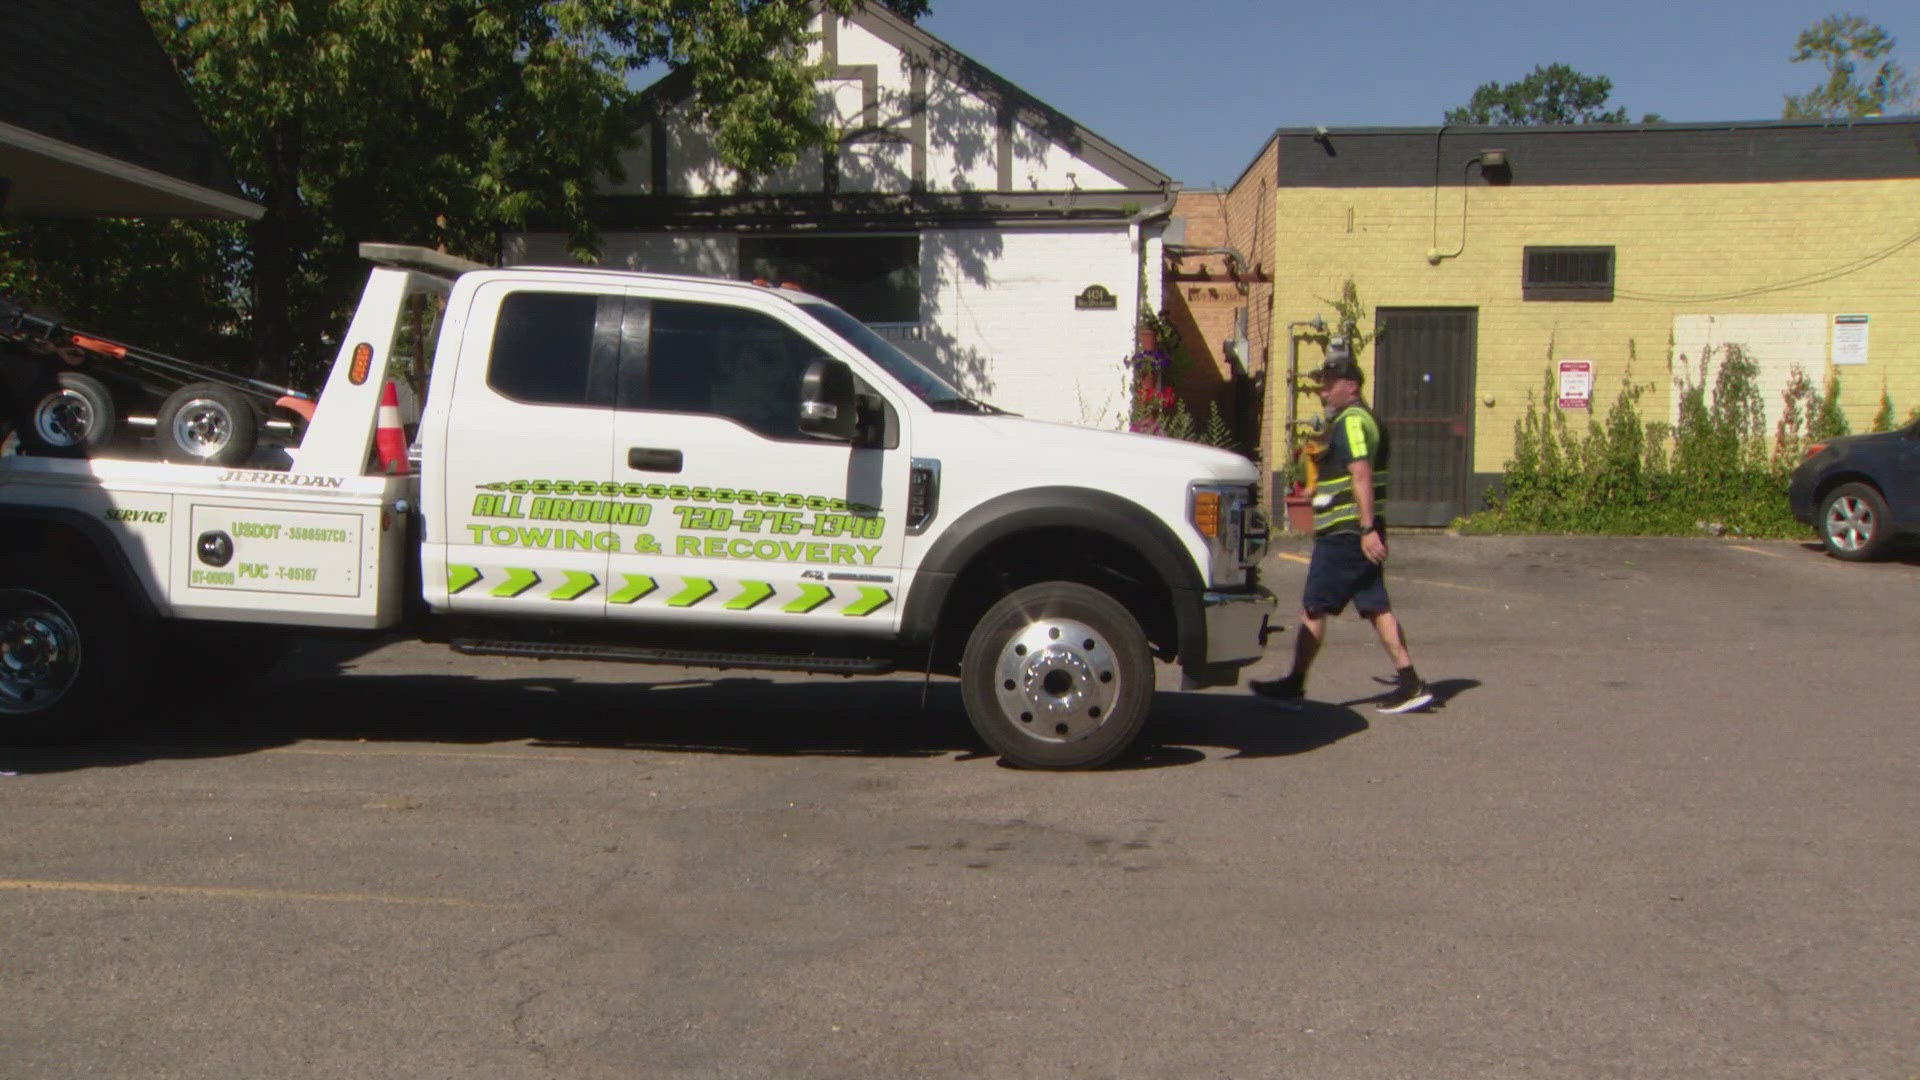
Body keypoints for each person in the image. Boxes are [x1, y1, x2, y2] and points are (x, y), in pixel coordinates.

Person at [1253, 344, 1433, 714]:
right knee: (1375, 606)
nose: (1322, 391)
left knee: (1313, 608)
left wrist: (1366, 528)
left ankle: (1294, 684)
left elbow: (1361, 474)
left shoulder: (1352, 421)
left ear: (1351, 385)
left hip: (1346, 534)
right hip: (1358, 531)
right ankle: (1411, 680)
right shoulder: (1365, 420)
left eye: (1329, 383)